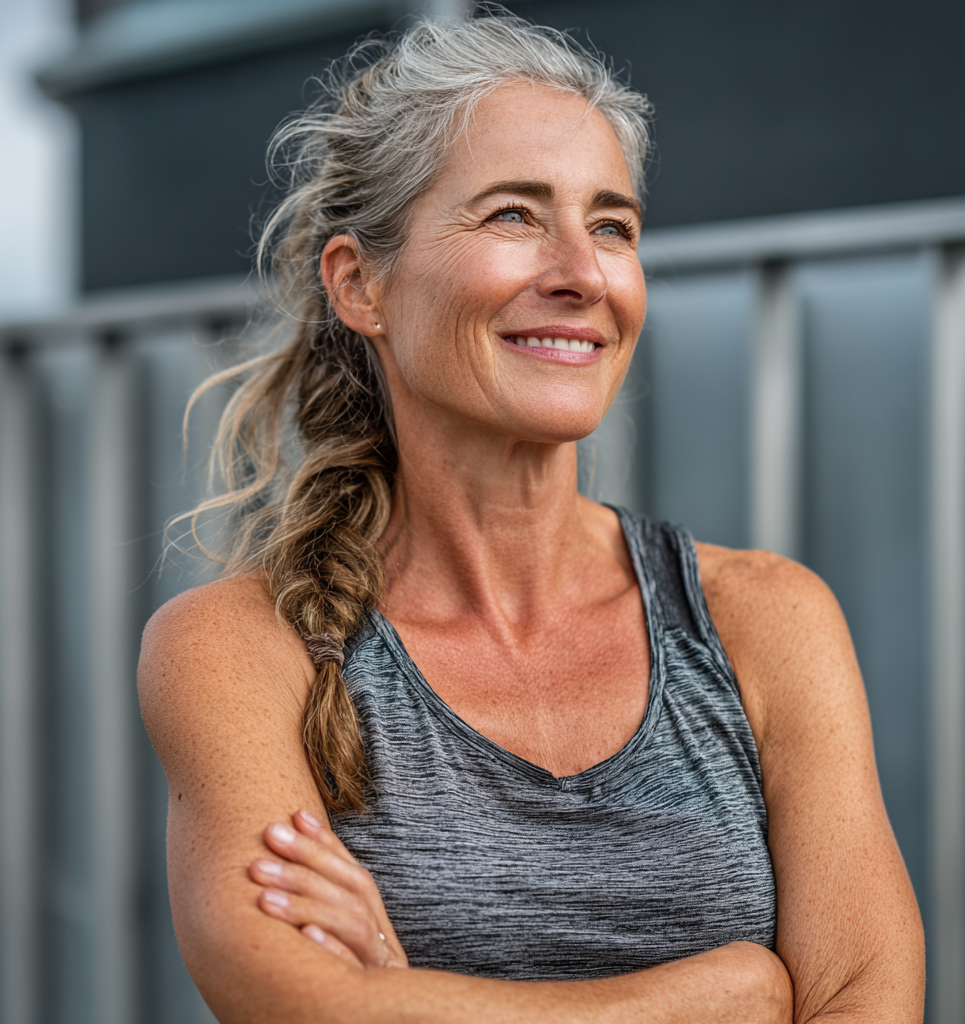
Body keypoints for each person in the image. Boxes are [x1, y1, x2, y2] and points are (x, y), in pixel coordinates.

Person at [138, 15, 924, 1023]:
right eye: (513, 215)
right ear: (359, 282)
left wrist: (407, 993)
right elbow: (301, 1008)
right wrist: (727, 991)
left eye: (612, 225)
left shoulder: (763, 619)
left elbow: (868, 1000)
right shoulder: (238, 650)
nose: (581, 272)